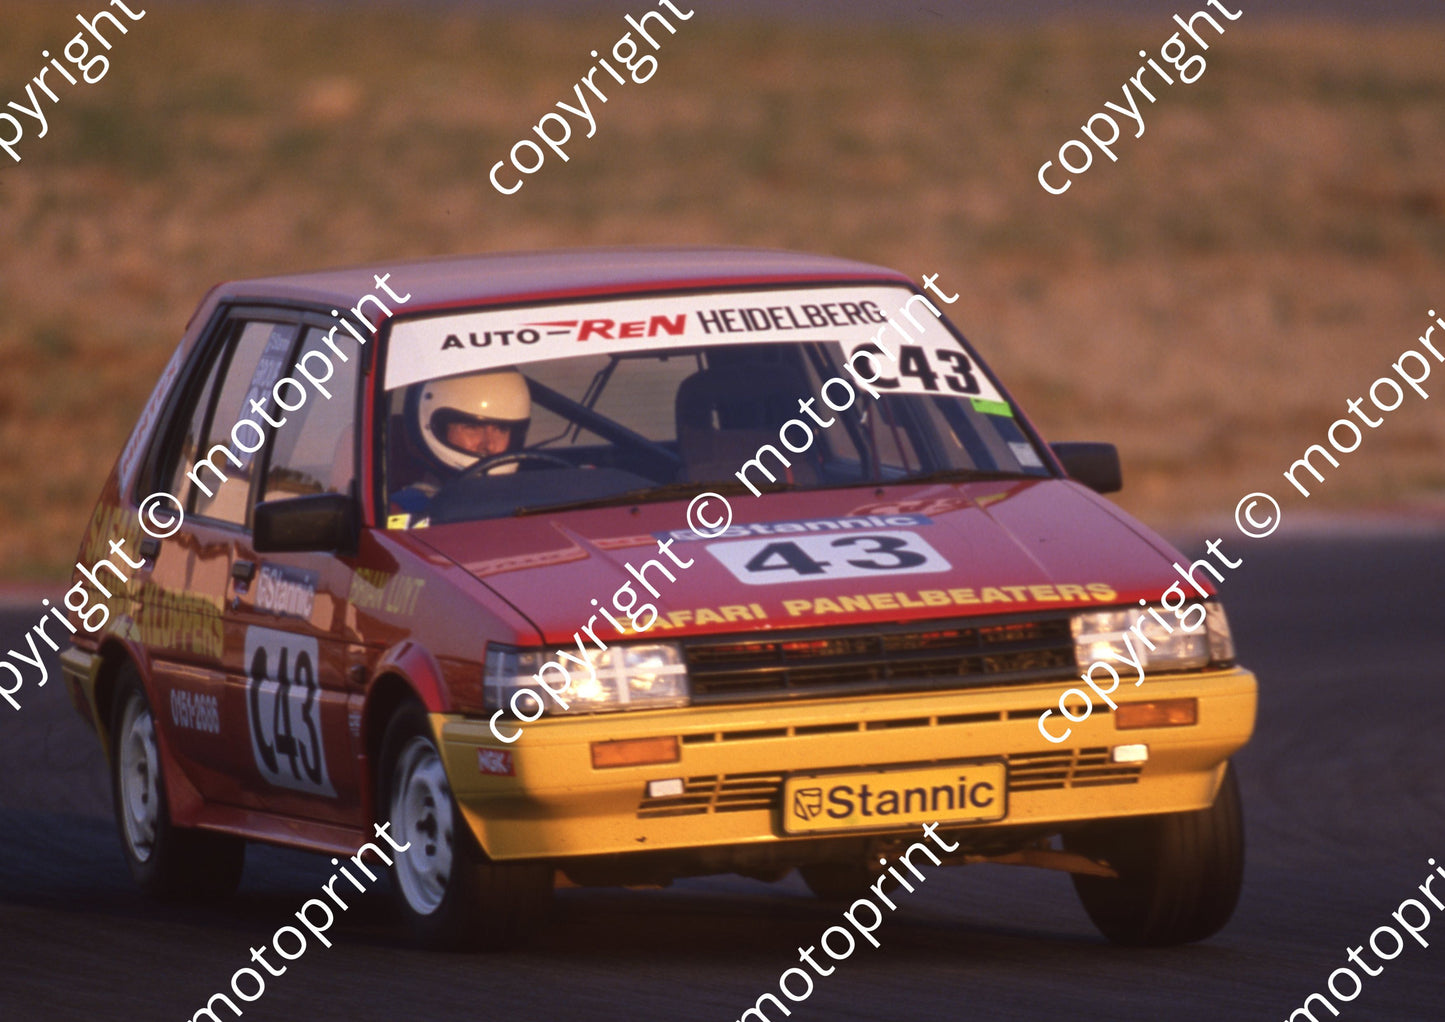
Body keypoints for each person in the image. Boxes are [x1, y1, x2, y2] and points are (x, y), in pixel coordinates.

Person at [390, 369, 532, 518]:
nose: (489, 445)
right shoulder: (404, 512)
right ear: (437, 429)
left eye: (501, 429)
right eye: (472, 428)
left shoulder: (536, 500)